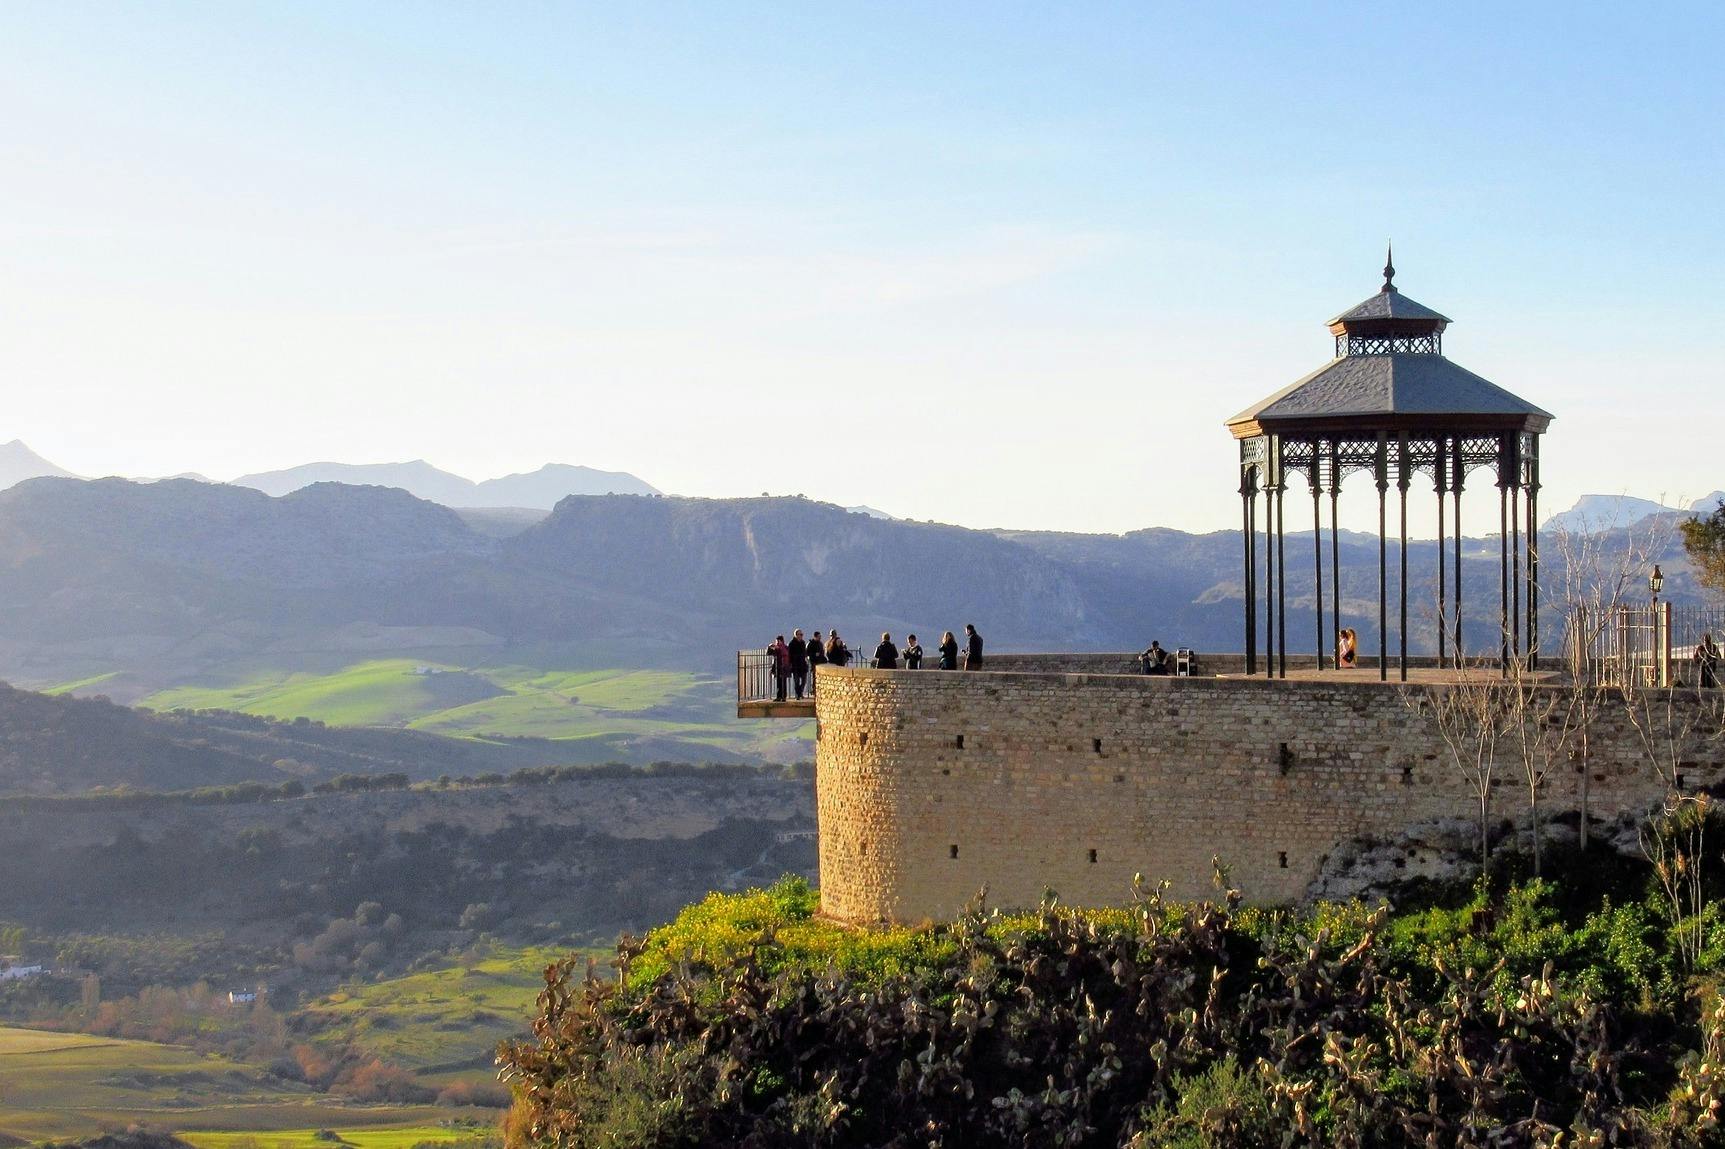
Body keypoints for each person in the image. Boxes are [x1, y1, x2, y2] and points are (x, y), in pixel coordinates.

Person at [767, 635, 790, 701]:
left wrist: (778, 648)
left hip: (783, 666)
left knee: (783, 682)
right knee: (779, 682)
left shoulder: (784, 647)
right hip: (778, 667)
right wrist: (769, 647)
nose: (776, 643)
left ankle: (783, 696)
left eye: (777, 641)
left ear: (780, 641)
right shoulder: (777, 648)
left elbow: (785, 654)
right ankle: (779, 696)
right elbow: (768, 653)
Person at [788, 629, 809, 700]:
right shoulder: (791, 643)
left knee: (804, 681)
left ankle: (800, 693)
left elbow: (805, 652)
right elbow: (789, 654)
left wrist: (805, 657)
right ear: (796, 635)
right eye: (800, 634)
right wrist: (791, 663)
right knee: (796, 681)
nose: (801, 636)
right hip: (795, 665)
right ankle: (798, 695)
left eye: (802, 634)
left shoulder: (803, 643)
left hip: (803, 664)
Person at [806, 628, 826, 693]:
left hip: (820, 662)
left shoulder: (820, 643)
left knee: (819, 676)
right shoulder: (811, 644)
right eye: (819, 636)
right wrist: (814, 654)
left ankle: (818, 689)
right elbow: (807, 653)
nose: (820, 638)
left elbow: (822, 652)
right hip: (814, 662)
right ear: (815, 637)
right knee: (814, 676)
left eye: (820, 636)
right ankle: (814, 689)